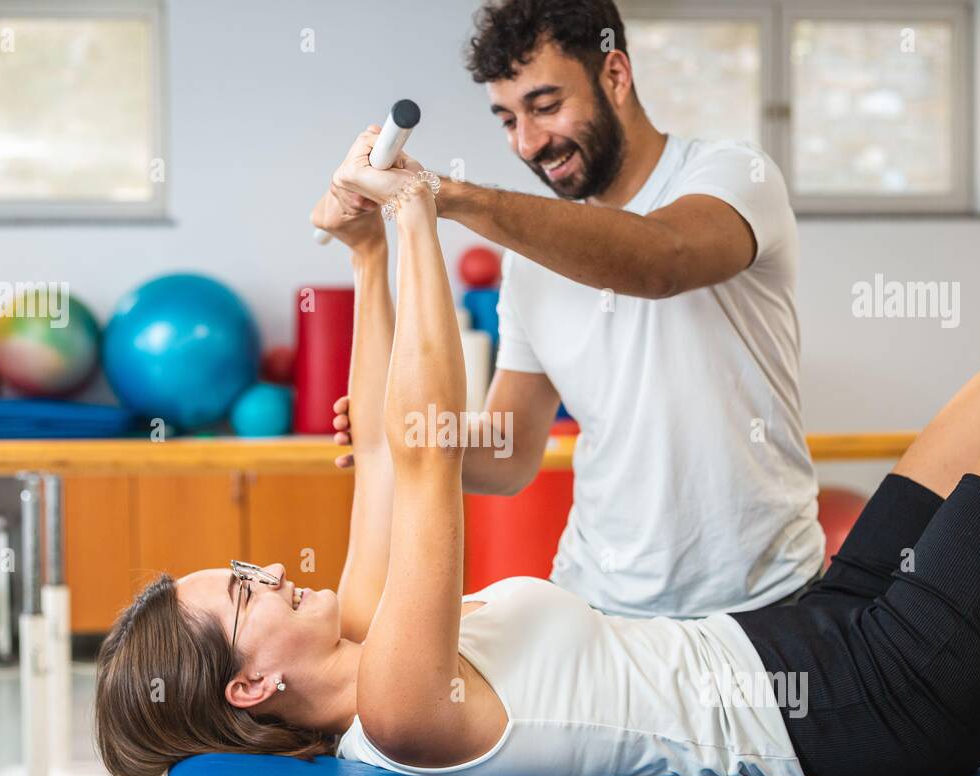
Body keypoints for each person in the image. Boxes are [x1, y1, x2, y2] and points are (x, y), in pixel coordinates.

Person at [94, 135, 980, 776]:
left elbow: (384, 470)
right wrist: (413, 212)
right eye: (244, 592)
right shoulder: (399, 710)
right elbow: (425, 449)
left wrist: (362, 254)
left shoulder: (362, 640)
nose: (267, 570)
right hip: (872, 700)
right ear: (251, 685)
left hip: (811, 625)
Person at [334, 0, 824, 620]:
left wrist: (445, 196)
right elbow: (508, 458)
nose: (530, 142)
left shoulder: (732, 174)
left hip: (762, 600)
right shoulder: (529, 261)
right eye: (507, 119)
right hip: (598, 603)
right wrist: (402, 434)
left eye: (545, 106)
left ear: (615, 75)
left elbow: (660, 261)